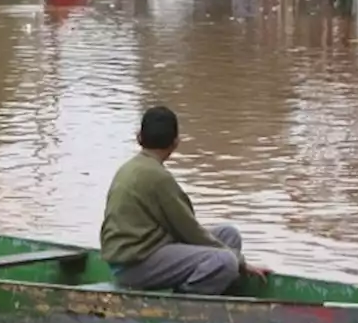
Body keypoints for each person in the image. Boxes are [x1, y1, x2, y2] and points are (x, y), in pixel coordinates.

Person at [100, 106, 265, 294]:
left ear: (139, 137)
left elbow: (183, 230)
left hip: (144, 251)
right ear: (176, 142)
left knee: (229, 234)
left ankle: (213, 287)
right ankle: (183, 297)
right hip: (134, 265)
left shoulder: (129, 168)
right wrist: (240, 262)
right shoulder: (158, 177)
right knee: (226, 261)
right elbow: (189, 231)